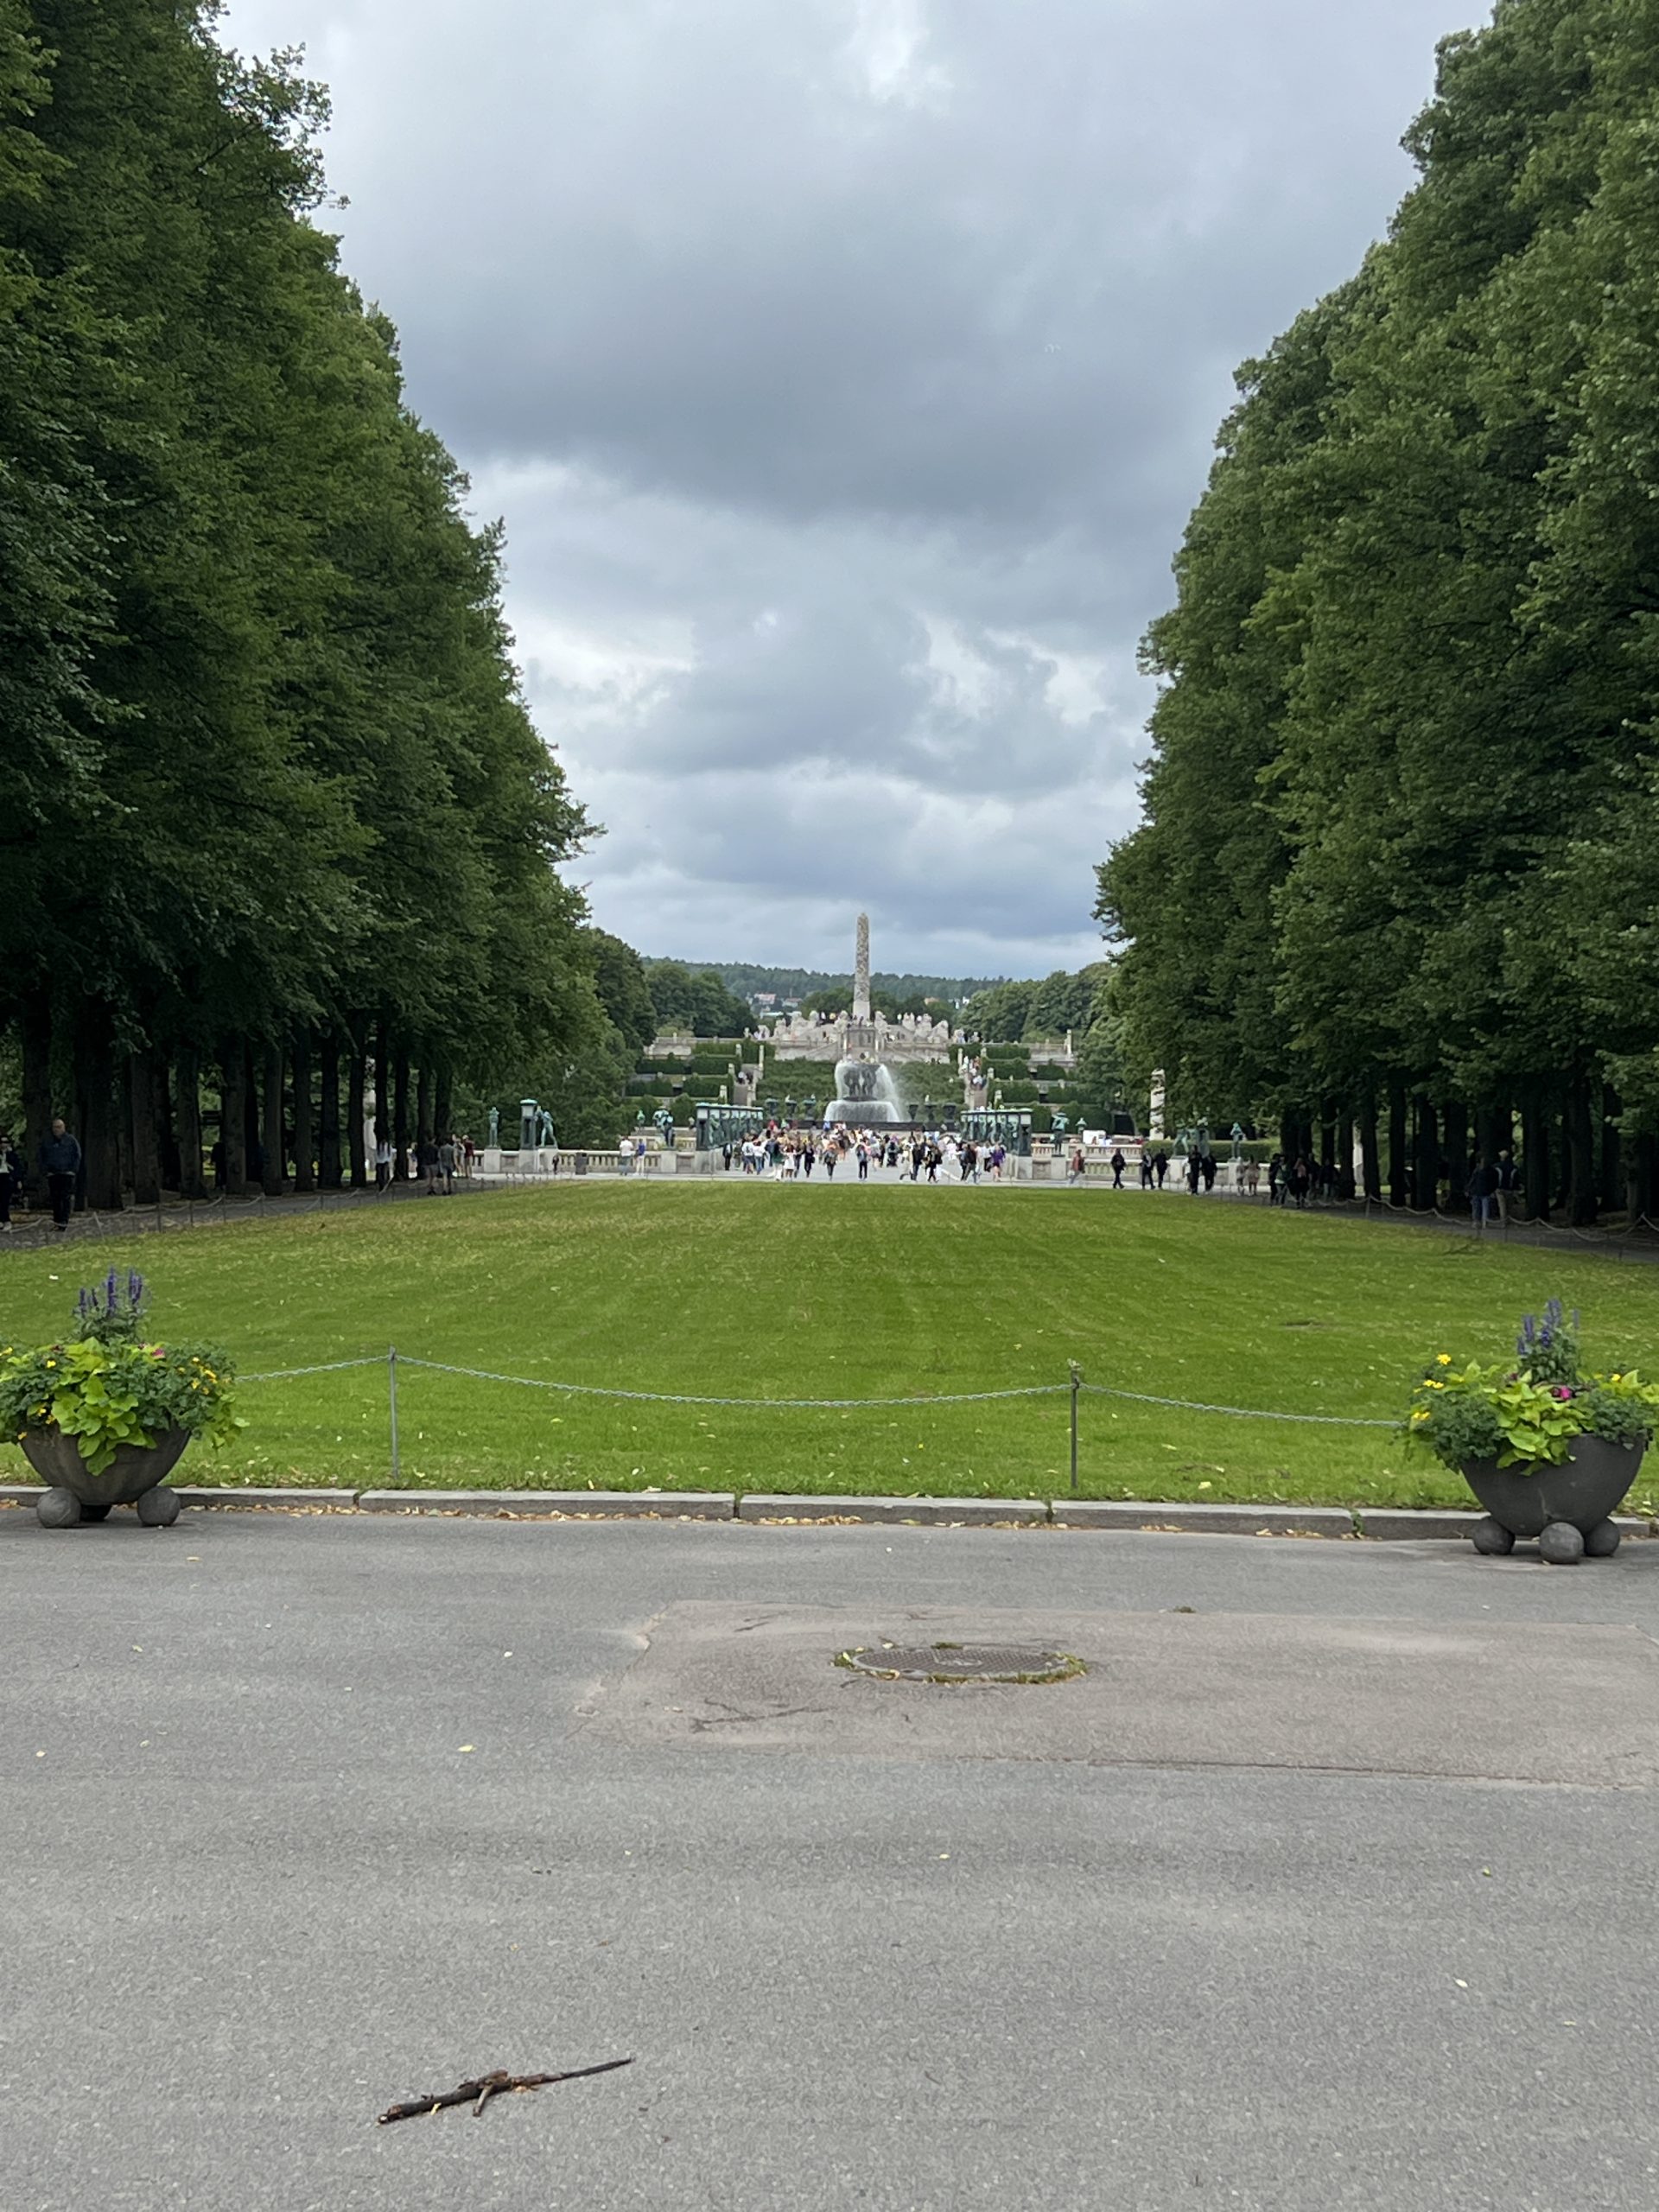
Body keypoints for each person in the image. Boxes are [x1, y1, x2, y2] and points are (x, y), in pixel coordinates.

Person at [40, 1116, 80, 1230]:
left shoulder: (71, 1140)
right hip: (53, 1174)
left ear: (63, 1127)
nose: (56, 1129)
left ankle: (64, 1222)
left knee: (65, 1198)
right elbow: (42, 1156)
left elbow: (77, 1155)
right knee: (55, 1199)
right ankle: (57, 1221)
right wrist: (46, 1171)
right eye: (55, 1127)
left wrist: (73, 1170)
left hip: (67, 1174)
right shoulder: (47, 1141)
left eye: (59, 1127)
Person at [1466, 1154, 1499, 1226]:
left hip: (1479, 1192)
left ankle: (1478, 1221)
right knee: (1484, 1208)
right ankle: (1484, 1222)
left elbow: (1472, 1181)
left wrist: (1469, 1189)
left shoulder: (1477, 1170)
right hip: (1484, 1192)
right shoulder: (1492, 1171)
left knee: (1478, 1208)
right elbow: (1494, 1183)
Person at [0, 1130, 22, 1230]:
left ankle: (6, 1220)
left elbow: (17, 1168)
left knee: (5, 1200)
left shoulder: (12, 1155)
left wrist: (18, 1180)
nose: (3, 1145)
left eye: (5, 1142)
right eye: (1, 1142)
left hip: (8, 1178)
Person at [1496, 1147, 1519, 1226]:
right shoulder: (1514, 1168)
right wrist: (1516, 1189)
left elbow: (1495, 1179)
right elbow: (1516, 1180)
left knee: (1502, 1206)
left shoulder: (1497, 1167)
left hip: (1499, 1189)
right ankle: (1509, 1220)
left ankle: (1503, 1222)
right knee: (1509, 1206)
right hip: (1510, 1189)